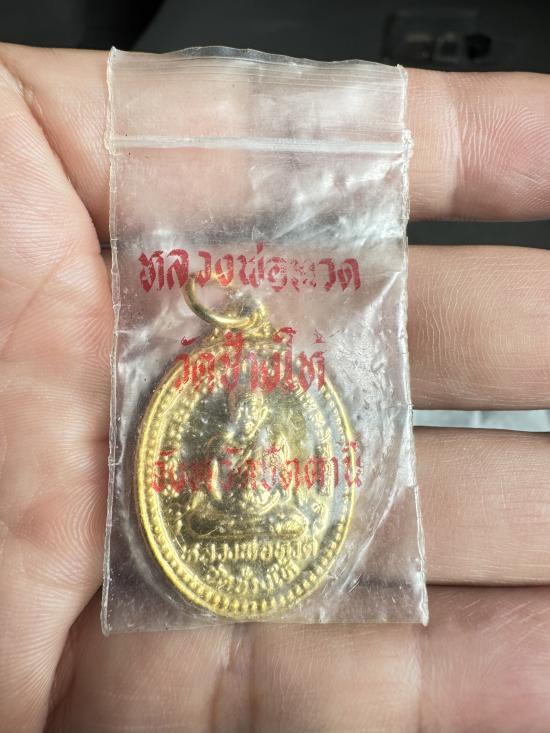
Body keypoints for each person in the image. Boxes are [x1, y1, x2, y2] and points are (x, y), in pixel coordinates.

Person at [0, 42, 549, 733]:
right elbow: (221, 467)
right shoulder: (224, 428)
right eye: (244, 411)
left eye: (253, 412)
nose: (247, 418)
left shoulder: (269, 432)